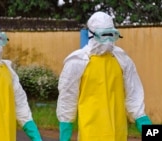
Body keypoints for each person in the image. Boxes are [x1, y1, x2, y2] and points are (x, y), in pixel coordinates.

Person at [56, 11, 152, 141]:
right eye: (103, 35)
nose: (107, 40)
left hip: (118, 133)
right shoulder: (77, 61)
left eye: (111, 35)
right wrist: (65, 133)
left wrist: (146, 126)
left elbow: (134, 95)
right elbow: (67, 99)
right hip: (91, 133)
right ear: (91, 34)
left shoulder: (122, 59)